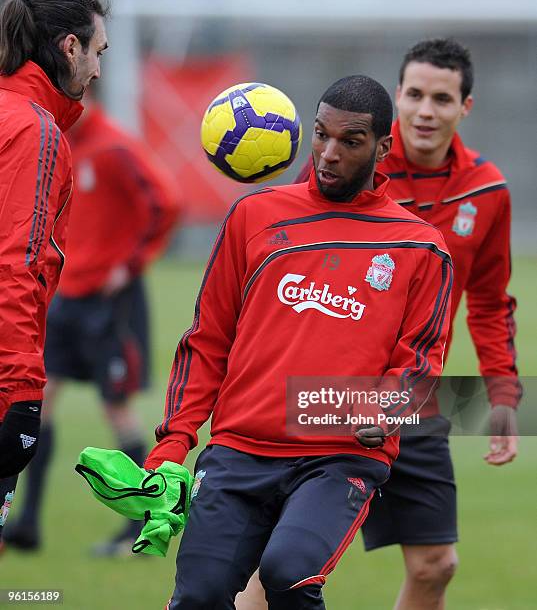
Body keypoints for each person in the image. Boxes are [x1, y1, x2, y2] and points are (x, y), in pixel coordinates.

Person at [144, 74, 453, 609]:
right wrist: (174, 442)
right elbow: (207, 340)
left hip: (338, 456)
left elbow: (421, 360)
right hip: (238, 450)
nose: (328, 154)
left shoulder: (419, 246)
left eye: (350, 142)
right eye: (320, 135)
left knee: (289, 573)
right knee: (199, 597)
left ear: (382, 148)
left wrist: (389, 406)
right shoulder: (254, 216)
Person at [242, 38, 520, 610]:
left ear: (464, 107)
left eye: (441, 99)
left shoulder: (487, 190)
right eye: (414, 94)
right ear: (397, 98)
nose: (425, 110)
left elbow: (491, 302)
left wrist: (502, 392)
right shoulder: (346, 164)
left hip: (409, 399)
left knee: (436, 565)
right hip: (324, 392)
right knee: (277, 568)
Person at [2, 91, 182, 554]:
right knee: (38, 401)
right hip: (66, 299)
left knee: (115, 408)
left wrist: (130, 263)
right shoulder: (52, 139)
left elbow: (167, 204)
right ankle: (26, 523)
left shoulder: (114, 146)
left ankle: (142, 522)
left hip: (109, 302)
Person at [0, 0, 108, 539]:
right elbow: (15, 264)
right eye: (96, 52)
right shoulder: (35, 130)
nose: (97, 70)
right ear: (70, 48)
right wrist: (21, 389)